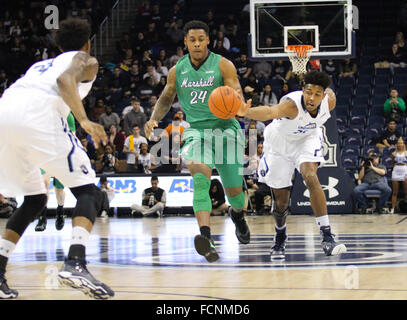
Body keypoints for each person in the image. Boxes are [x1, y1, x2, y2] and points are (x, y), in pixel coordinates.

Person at [0, 18, 113, 299]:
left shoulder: (38, 66)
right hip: (39, 117)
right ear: (88, 42)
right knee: (90, 192)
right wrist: (85, 120)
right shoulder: (85, 59)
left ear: (59, 44)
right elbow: (65, 80)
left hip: (5, 114)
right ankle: (75, 262)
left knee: (35, 199)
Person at [144, 20, 251, 263]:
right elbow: (165, 98)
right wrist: (153, 119)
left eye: (201, 39)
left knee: (235, 193)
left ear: (208, 41)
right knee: (200, 180)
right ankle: (206, 236)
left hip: (226, 130)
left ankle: (238, 215)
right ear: (185, 42)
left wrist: (240, 103)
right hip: (197, 132)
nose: (197, 44)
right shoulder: (176, 70)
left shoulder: (223, 65)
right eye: (192, 40)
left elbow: (235, 90)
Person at [238, 70, 347, 259]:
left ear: (323, 95)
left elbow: (325, 92)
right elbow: (269, 112)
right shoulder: (291, 106)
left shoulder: (330, 101)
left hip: (306, 140)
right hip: (279, 144)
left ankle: (327, 236)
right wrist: (245, 111)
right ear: (303, 90)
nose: (311, 98)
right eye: (308, 92)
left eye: (317, 94)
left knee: (310, 176)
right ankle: (280, 234)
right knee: (280, 203)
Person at [35, 111, 77, 232]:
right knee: (44, 183)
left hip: (60, 154)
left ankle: (60, 210)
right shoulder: (43, 113)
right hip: (45, 153)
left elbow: (72, 137)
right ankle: (42, 217)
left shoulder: (68, 115)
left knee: (59, 190)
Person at [390, 138, 407, 214]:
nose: (400, 144)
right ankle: (393, 208)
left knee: (406, 191)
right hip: (396, 170)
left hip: (404, 169)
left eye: (401, 143)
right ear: (397, 145)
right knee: (395, 192)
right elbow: (393, 162)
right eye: (399, 143)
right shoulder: (393, 153)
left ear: (403, 144)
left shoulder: (406, 153)